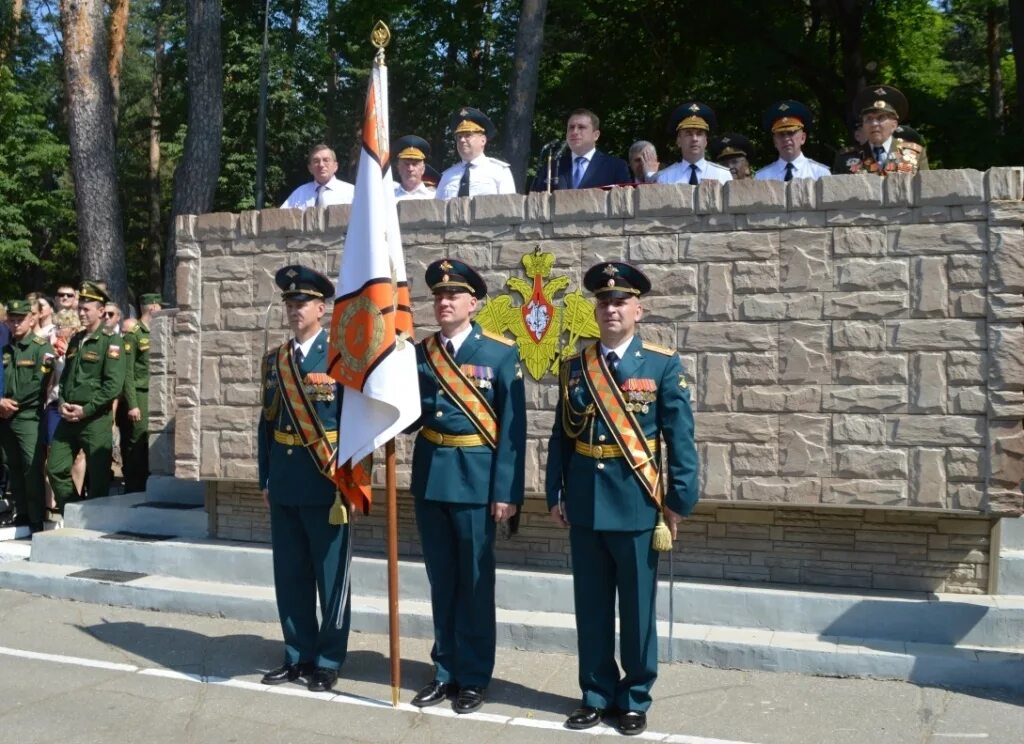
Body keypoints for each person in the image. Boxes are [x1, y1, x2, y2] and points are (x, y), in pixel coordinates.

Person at [546, 261, 699, 736]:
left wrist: (678, 500)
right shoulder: (575, 365)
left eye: (620, 301)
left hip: (636, 502)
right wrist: (556, 491)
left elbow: (681, 438)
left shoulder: (660, 363)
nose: (611, 309)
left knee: (635, 611)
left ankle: (634, 697)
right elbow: (560, 437)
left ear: (639, 308)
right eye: (603, 301)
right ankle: (595, 694)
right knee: (590, 607)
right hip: (587, 502)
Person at [408, 258, 526, 714]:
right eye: (438, 296)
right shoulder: (421, 352)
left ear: (473, 303)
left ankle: (474, 676)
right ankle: (445, 670)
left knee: (475, 582)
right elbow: (414, 416)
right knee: (442, 581)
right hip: (433, 477)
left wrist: (506, 491)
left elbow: (513, 429)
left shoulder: (499, 352)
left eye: (452, 295)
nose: (443, 302)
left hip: (477, 481)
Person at [257, 265, 353, 694]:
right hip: (285, 480)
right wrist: (264, 478)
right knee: (290, 574)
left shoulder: (340, 357)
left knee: (330, 576)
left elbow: (356, 423)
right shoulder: (275, 359)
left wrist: (352, 480)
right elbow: (266, 423)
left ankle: (328, 659)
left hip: (327, 481)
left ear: (321, 307)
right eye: (289, 304)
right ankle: (297, 654)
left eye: (302, 304)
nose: (294, 310)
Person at [46, 282, 126, 512]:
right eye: (79, 308)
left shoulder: (111, 341)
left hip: (94, 419)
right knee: (56, 468)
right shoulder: (76, 339)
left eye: (86, 309)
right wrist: (62, 403)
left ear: (101, 311)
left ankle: (96, 521)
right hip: (69, 416)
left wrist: (87, 409)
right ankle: (73, 510)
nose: (80, 313)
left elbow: (113, 385)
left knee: (99, 475)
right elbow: (66, 378)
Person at [0, 299, 55, 533]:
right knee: (11, 464)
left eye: (19, 320)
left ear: (31, 319)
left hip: (27, 415)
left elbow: (38, 383)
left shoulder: (41, 348)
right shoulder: (5, 349)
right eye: (11, 320)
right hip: (4, 415)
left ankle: (35, 518)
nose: (15, 325)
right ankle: (21, 513)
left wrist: (13, 403)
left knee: (31, 468)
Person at [117, 293, 160, 493]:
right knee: (136, 441)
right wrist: (132, 404)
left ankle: (147, 483)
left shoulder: (157, 332)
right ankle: (134, 487)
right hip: (140, 393)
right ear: (152, 308)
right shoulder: (134, 334)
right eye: (159, 306)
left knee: (149, 440)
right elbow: (128, 372)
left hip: (155, 392)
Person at [835, 85, 929, 176]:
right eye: (868, 119)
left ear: (894, 125)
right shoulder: (846, 158)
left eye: (881, 118)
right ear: (863, 125)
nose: (874, 124)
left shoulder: (915, 154)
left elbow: (925, 189)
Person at [531, 109, 631, 191]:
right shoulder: (552, 167)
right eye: (571, 127)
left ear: (596, 135)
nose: (574, 132)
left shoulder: (616, 167)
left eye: (581, 127)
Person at [435, 108, 516, 199]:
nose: (462, 140)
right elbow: (436, 210)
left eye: (468, 135)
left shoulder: (499, 171)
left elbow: (509, 207)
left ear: (483, 140)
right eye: (459, 137)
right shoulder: (447, 176)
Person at [654, 101, 732, 185]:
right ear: (678, 140)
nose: (694, 139)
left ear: (706, 140)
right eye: (688, 133)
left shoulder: (722, 176)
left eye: (699, 134)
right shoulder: (665, 178)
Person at [754, 100, 830, 182]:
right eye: (781, 134)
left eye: (791, 133)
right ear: (775, 142)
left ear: (803, 138)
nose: (786, 138)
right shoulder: (762, 177)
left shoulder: (820, 173)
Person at [280, 144, 355, 208]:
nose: (321, 165)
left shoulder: (351, 192)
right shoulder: (299, 193)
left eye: (326, 160)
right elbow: (281, 219)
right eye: (316, 161)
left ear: (335, 166)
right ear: (310, 168)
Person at [393, 135, 437, 200]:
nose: (410, 169)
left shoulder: (434, 197)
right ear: (398, 167)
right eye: (406, 164)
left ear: (423, 169)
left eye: (415, 164)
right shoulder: (389, 197)